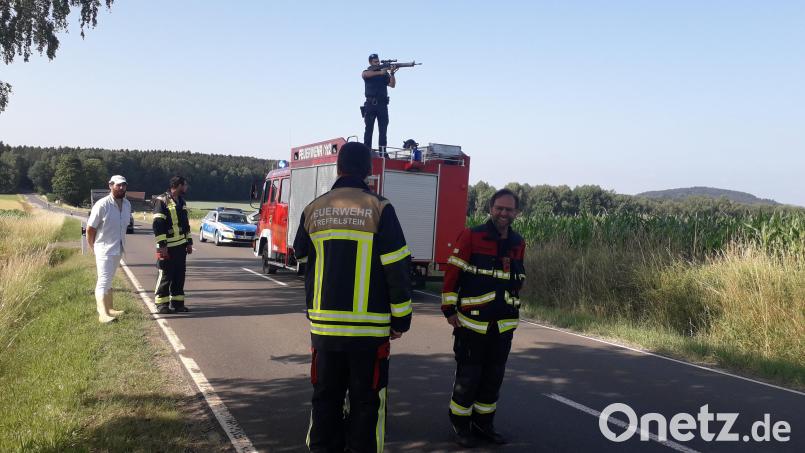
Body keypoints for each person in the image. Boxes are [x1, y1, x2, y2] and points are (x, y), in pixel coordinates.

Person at [293, 142, 413, 452]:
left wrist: (314, 307)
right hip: (369, 333)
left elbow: (302, 261)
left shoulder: (314, 208)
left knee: (325, 399)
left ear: (338, 168)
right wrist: (401, 319)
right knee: (366, 403)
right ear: (369, 171)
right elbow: (396, 267)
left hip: (325, 330)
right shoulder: (380, 208)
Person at [441, 189, 526, 447]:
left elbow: (518, 278)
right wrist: (449, 310)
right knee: (469, 377)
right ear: (490, 208)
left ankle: (484, 424)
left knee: (493, 378)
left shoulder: (517, 242)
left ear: (516, 213)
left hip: (503, 324)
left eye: (509, 209)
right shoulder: (472, 235)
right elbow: (452, 274)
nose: (504, 213)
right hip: (472, 323)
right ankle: (460, 425)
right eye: (499, 208)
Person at [86, 175, 132, 323]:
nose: (121, 188)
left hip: (118, 248)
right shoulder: (102, 205)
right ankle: (103, 314)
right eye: (118, 185)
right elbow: (90, 228)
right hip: (103, 249)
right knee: (103, 280)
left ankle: (110, 308)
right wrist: (93, 247)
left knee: (109, 279)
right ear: (110, 186)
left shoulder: (127, 204)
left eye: (123, 185)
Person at [152, 176, 193, 314]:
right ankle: (161, 304)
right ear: (178, 185)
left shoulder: (181, 201)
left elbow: (185, 224)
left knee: (179, 275)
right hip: (167, 247)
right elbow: (158, 224)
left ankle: (177, 303)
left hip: (181, 247)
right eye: (185, 185)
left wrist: (189, 243)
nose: (186, 187)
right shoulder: (161, 201)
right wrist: (162, 245)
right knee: (165, 275)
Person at [362, 53, 397, 153]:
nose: (377, 63)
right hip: (370, 104)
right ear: (370, 63)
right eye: (375, 62)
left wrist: (392, 73)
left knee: (383, 130)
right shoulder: (368, 72)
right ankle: (366, 151)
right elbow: (364, 74)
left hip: (382, 105)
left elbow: (392, 85)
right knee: (369, 129)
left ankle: (383, 152)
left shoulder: (384, 74)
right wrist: (381, 72)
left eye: (378, 61)